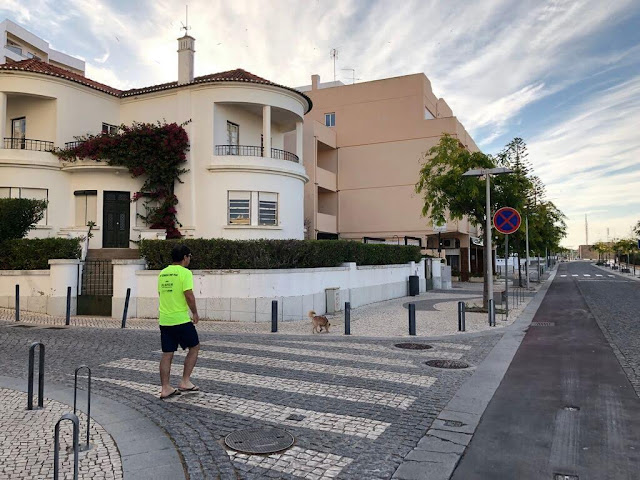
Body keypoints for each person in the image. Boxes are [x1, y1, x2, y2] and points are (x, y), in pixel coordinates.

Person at [157, 244, 200, 399]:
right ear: (184, 257)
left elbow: (161, 294)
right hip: (181, 319)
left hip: (165, 320)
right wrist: (194, 312)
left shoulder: (163, 273)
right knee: (194, 347)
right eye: (189, 256)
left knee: (167, 354)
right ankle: (185, 381)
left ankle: (165, 388)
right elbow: (188, 295)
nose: (189, 259)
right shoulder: (185, 273)